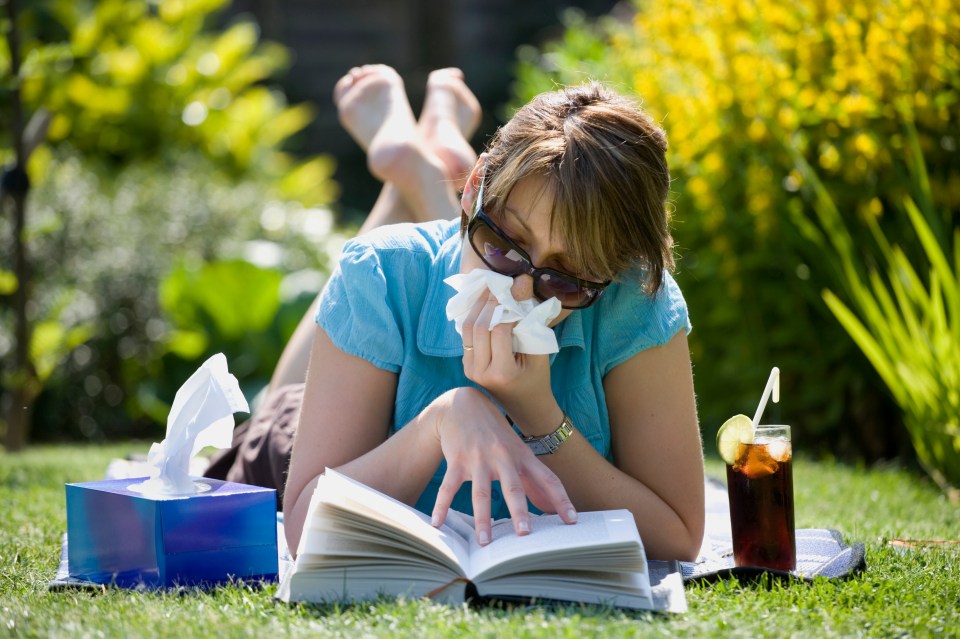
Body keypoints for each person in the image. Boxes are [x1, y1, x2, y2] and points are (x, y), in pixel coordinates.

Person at [206, 64, 705, 561]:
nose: (521, 291)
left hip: (452, 251)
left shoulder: (631, 299)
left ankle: (420, 174)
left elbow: (679, 537)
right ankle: (416, 177)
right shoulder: (380, 273)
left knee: (435, 261)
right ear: (474, 190)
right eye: (505, 245)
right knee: (283, 396)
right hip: (305, 435)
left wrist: (538, 415)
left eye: (564, 277)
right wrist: (439, 421)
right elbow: (302, 528)